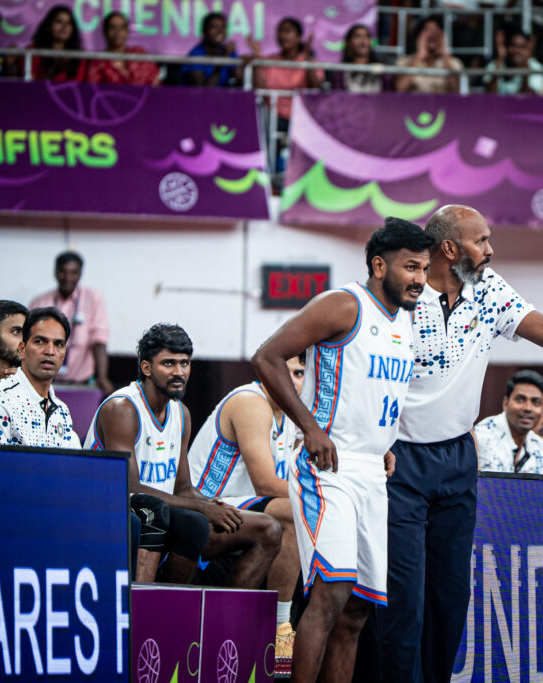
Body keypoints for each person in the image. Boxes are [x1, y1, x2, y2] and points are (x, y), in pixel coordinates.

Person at [375, 204, 543, 683]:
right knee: (404, 599)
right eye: (481, 241)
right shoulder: (405, 291)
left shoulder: (488, 290)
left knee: (451, 598)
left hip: (456, 459)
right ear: (449, 249)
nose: (490, 249)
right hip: (399, 459)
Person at [251, 218, 435, 683]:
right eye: (411, 267)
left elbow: (375, 393)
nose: (420, 280)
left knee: (356, 611)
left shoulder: (405, 322)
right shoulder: (343, 304)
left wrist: (385, 444)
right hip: (326, 467)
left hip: (373, 470)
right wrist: (310, 428)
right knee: (332, 592)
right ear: (379, 265)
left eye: (425, 270)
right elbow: (267, 356)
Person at [85, 323, 282, 587]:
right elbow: (129, 488)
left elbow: (184, 488)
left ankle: (226, 623)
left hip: (167, 511)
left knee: (268, 528)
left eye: (184, 363)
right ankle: (159, 607)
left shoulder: (181, 413)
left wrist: (214, 505)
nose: (179, 372)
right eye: (168, 363)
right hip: (111, 511)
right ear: (146, 368)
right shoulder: (123, 408)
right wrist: (201, 508)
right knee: (187, 521)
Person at [187, 353, 307, 658]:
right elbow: (266, 484)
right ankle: (281, 628)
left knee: (313, 513)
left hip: (244, 511)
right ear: (268, 373)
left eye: (301, 374)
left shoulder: (294, 415)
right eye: (290, 371)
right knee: (296, 509)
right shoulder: (250, 402)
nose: (295, 381)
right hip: (205, 509)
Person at [0, 307, 80, 448]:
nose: (50, 351)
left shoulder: (62, 410)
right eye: (39, 341)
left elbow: (73, 467)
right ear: (22, 349)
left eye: (58, 344)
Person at [29, 251, 112, 393]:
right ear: (55, 272)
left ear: (80, 274)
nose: (68, 277)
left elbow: (99, 340)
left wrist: (102, 377)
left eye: (73, 272)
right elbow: (28, 343)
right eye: (62, 272)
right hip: (44, 384)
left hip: (82, 383)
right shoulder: (40, 302)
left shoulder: (92, 298)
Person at [249, 17, 325, 128]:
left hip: (302, 116)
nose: (282, 35)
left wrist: (308, 62)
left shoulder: (311, 63)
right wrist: (257, 59)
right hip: (272, 116)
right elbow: (259, 90)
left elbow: (316, 88)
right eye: (280, 31)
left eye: (288, 31)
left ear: (299, 37)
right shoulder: (268, 61)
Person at [474, 369, 543, 474]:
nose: (528, 408)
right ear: (505, 403)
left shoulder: (539, 446)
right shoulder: (482, 436)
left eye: (536, 402)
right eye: (520, 400)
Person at [86, 11, 160, 86]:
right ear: (105, 31)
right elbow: (93, 90)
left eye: (122, 28)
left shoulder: (139, 54)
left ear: (127, 31)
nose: (117, 32)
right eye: (112, 27)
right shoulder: (98, 62)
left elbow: (155, 83)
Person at [395, 17, 462, 93]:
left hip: (442, 104)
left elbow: (455, 91)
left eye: (436, 31)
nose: (432, 34)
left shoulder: (454, 63)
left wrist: (445, 54)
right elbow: (400, 88)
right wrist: (419, 56)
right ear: (418, 37)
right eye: (427, 30)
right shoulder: (404, 61)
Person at [181, 12, 239, 87]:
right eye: (214, 27)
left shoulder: (227, 51)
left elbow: (240, 79)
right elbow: (203, 91)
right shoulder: (196, 54)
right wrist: (222, 59)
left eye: (223, 27)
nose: (220, 32)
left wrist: (245, 63)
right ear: (204, 31)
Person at [29, 5, 86, 82]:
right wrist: (54, 70)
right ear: (48, 26)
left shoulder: (79, 56)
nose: (64, 27)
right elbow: (30, 84)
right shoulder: (32, 52)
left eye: (69, 23)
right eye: (59, 22)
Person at [329, 24, 392, 93]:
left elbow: (388, 96)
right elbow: (337, 98)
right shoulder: (341, 72)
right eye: (357, 36)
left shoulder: (382, 70)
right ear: (348, 42)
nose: (363, 40)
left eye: (367, 36)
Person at [485, 28, 543, 95]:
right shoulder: (494, 65)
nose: (517, 51)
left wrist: (525, 72)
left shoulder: (536, 68)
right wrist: (499, 60)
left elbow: (528, 99)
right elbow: (490, 96)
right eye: (513, 46)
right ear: (507, 47)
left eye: (522, 47)